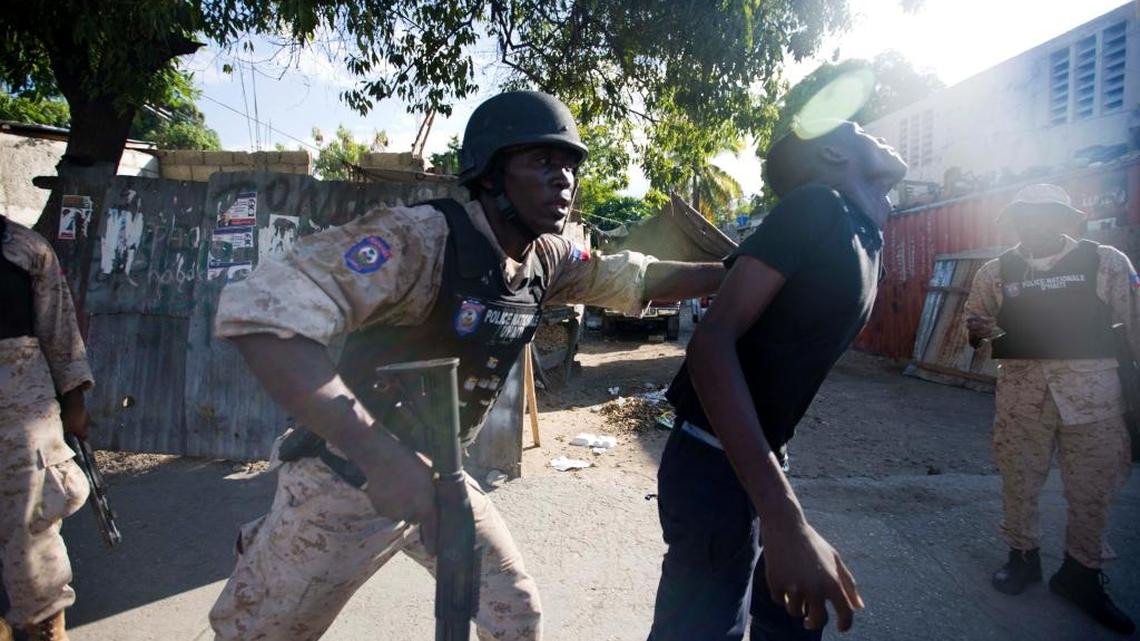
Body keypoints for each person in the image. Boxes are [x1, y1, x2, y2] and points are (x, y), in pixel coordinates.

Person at [207, 90, 725, 641]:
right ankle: (272, 544)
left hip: (442, 478)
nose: (564, 180)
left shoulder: (545, 258)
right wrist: (381, 457)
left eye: (570, 164)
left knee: (514, 616)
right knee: (256, 634)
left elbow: (633, 277)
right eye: (543, 161)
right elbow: (262, 315)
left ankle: (267, 541)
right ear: (489, 175)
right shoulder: (418, 239)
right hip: (345, 483)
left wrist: (739, 270)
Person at [646, 120, 907, 641]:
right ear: (833, 153)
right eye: (859, 130)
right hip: (712, 469)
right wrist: (785, 519)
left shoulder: (861, 228)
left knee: (791, 623)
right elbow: (711, 343)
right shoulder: (817, 206)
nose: (876, 133)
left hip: (758, 461)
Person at [964, 183, 1135, 634]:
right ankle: (1022, 558)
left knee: (1092, 490)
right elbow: (980, 331)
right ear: (1015, 220)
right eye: (1025, 215)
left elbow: (1133, 329)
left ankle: (1081, 574)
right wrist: (982, 331)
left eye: (1045, 215)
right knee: (1019, 480)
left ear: (1065, 219)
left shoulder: (1106, 263)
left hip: (1094, 400)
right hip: (1023, 398)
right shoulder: (996, 272)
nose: (1034, 223)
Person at [0, 215, 94, 641]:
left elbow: (60, 332)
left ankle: (44, 630)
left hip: (20, 415)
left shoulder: (24, 249)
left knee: (30, 535)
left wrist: (74, 402)